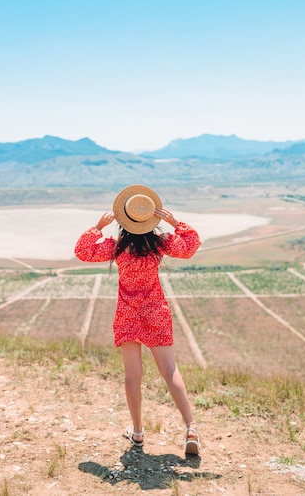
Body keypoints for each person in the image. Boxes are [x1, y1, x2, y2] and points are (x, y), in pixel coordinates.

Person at [74, 184, 202, 456]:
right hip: (155, 310)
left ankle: (138, 433)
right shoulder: (160, 243)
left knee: (133, 376)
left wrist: (97, 227)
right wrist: (175, 222)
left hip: (128, 313)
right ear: (151, 218)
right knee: (169, 371)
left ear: (123, 218)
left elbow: (82, 251)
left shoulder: (118, 247)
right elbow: (190, 247)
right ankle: (190, 427)